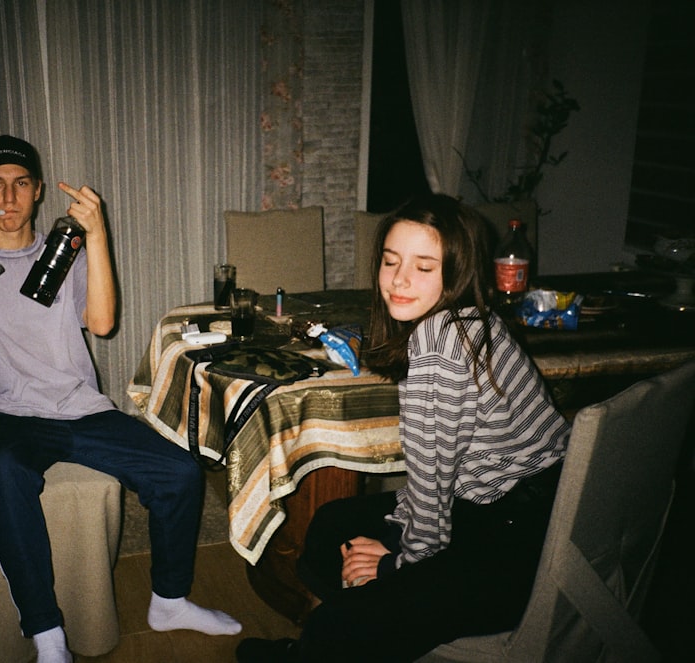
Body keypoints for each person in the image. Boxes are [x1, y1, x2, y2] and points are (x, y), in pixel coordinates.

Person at [0, 134, 241, 663]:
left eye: (21, 184)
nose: (8, 198)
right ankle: (48, 638)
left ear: (39, 191)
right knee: (4, 475)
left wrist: (97, 235)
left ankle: (169, 600)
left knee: (180, 472)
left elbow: (102, 322)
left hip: (77, 406)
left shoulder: (60, 250)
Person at [236, 193, 570, 662]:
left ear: (457, 273)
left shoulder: (438, 348)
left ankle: (324, 643)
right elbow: (433, 479)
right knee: (336, 522)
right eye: (391, 261)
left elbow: (433, 490)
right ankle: (325, 640)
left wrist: (394, 563)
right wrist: (396, 531)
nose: (399, 280)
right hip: (518, 513)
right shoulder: (474, 318)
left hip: (512, 549)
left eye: (424, 266)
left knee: (345, 611)